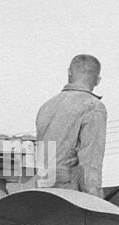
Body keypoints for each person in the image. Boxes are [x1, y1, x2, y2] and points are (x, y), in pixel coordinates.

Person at [35, 54, 107, 196]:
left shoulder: (46, 106)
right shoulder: (93, 106)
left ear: (69, 72)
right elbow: (90, 165)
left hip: (43, 193)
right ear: (98, 80)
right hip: (70, 197)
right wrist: (97, 204)